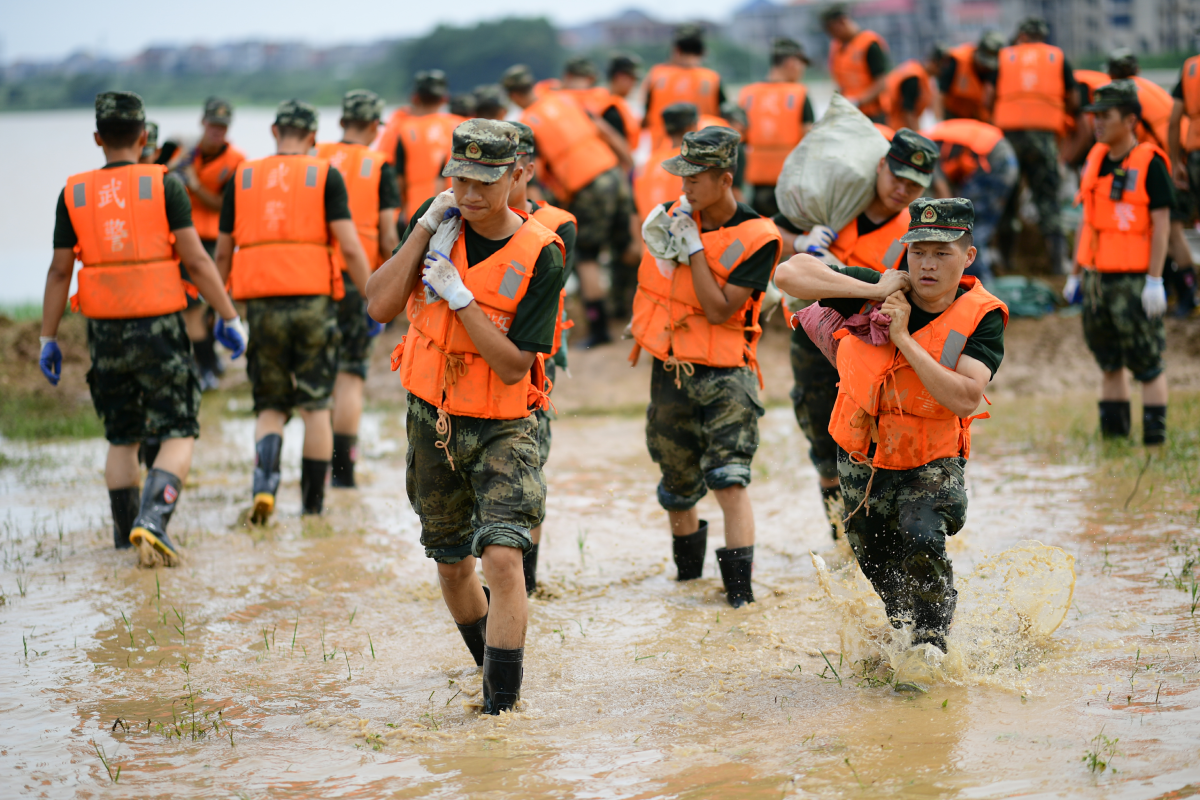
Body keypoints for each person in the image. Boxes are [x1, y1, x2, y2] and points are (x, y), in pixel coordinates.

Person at [364, 120, 566, 714]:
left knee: (503, 556)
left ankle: (503, 710)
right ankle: (490, 673)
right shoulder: (435, 228)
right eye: (460, 180)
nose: (471, 194)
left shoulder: (542, 254)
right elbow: (378, 304)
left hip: (503, 424)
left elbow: (512, 367)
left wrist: (462, 299)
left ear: (515, 175)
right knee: (453, 565)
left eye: (485, 181)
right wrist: (424, 229)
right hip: (433, 420)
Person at [774, 197, 1008, 655]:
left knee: (921, 537)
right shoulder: (878, 288)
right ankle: (905, 633)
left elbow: (965, 397)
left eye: (943, 253)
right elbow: (788, 274)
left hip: (931, 455)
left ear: (968, 257)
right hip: (864, 453)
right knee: (872, 554)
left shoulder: (983, 315)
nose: (928, 264)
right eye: (918, 250)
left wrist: (902, 337)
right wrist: (876, 291)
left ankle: (932, 644)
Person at [38, 91, 246, 567]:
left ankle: (122, 540)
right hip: (159, 328)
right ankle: (152, 522)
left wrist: (49, 338)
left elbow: (57, 272)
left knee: (121, 437)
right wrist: (229, 316)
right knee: (177, 429)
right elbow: (195, 258)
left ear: (97, 138)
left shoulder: (74, 192)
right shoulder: (164, 184)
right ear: (142, 135)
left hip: (104, 333)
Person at [629, 126, 782, 608]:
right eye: (683, 177)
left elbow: (719, 310)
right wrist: (673, 237)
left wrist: (694, 248)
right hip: (672, 371)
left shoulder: (760, 237)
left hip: (726, 378)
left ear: (725, 178)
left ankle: (740, 598)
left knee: (729, 479)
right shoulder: (677, 218)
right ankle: (688, 585)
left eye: (697, 179)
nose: (686, 187)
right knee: (676, 485)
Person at [773, 129, 939, 540]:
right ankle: (840, 537)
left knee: (869, 439)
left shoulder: (913, 233)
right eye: (897, 176)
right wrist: (803, 240)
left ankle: (872, 534)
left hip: (868, 347)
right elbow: (767, 233)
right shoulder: (837, 200)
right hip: (813, 338)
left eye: (914, 185)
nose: (902, 189)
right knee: (819, 433)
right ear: (881, 165)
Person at [214, 100, 372, 523]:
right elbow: (351, 246)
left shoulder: (242, 176)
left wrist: (221, 311)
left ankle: (264, 487)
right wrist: (372, 295)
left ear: (274, 131)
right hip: (313, 304)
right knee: (316, 405)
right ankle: (312, 508)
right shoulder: (325, 175)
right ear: (313, 138)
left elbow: (223, 251)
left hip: (260, 306)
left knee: (269, 404)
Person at [1064, 81, 1171, 445]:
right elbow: (1087, 220)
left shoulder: (1150, 162)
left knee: (1147, 361)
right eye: (1094, 116)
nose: (1097, 123)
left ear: (1129, 119)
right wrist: (1075, 274)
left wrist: (1155, 280)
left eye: (1105, 116)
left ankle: (1154, 443)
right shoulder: (1093, 158)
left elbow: (1162, 224)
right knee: (1108, 360)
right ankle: (1115, 440)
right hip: (1097, 279)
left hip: (1135, 279)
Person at [503, 63, 632, 348]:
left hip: (586, 184)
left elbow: (532, 172)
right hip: (612, 170)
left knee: (586, 258)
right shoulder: (563, 98)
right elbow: (605, 131)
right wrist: (628, 164)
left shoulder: (527, 125)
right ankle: (631, 313)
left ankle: (599, 328)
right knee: (628, 244)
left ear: (512, 95)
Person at [314, 90, 402, 488]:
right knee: (350, 375)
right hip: (357, 280)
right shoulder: (379, 166)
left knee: (319, 375)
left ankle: (310, 471)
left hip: (312, 280)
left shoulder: (314, 157)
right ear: (372, 127)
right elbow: (387, 234)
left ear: (342, 123)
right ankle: (343, 474)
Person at [507, 121, 578, 595]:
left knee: (529, 461)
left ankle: (525, 584)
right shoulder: (456, 219)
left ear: (527, 171)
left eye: (507, 171)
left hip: (533, 362)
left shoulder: (557, 225)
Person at [1106, 48, 1198, 316]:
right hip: (1181, 154)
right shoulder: (1148, 87)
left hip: (1168, 162)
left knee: (1171, 232)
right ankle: (1173, 292)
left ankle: (1188, 295)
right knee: (1166, 229)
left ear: (1110, 73)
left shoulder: (1121, 95)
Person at [990, 17, 1078, 274]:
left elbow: (988, 96)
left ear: (1021, 36)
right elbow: (1073, 100)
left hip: (1009, 139)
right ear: (1043, 36)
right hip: (1044, 138)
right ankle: (1058, 264)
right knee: (1047, 198)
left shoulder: (1005, 57)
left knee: (1007, 198)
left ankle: (1006, 262)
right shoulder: (1056, 57)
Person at [178, 97, 246, 390]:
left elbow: (224, 205)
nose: (217, 131)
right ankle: (205, 366)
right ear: (202, 123)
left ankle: (210, 361)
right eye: (213, 125)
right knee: (191, 307)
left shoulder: (236, 161)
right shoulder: (183, 154)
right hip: (186, 239)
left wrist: (194, 184)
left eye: (223, 126)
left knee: (212, 305)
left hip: (217, 241)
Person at [923, 118, 1019, 282]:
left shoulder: (924, 149)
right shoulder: (936, 137)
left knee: (966, 228)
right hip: (1005, 157)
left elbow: (945, 197)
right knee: (979, 226)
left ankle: (980, 284)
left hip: (994, 162)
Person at [738, 38, 815, 218]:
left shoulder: (747, 94)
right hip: (791, 184)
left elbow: (740, 138)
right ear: (791, 62)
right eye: (801, 64)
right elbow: (810, 140)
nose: (801, 70)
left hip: (756, 185)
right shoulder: (798, 93)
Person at [377, 71, 463, 221]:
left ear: (415, 98)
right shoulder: (462, 126)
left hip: (419, 212)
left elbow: (397, 177)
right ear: (444, 99)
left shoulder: (402, 128)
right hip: (461, 208)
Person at [643, 24, 724, 150]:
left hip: (662, 151)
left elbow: (645, 116)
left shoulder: (656, 75)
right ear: (703, 51)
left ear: (676, 50)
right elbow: (722, 117)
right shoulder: (711, 78)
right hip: (702, 152)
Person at [822, 2, 891, 122]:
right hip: (849, 114)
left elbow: (881, 83)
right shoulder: (836, 47)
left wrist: (858, 102)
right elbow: (840, 82)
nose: (833, 36)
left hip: (873, 114)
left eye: (833, 31)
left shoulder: (869, 44)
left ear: (842, 22)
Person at [1171, 44, 1200, 315]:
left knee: (1175, 225)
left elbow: (1173, 119)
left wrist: (1174, 161)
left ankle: (1190, 293)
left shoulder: (1191, 68)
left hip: (1194, 156)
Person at [635, 103, 698, 221]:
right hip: (686, 236)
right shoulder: (695, 161)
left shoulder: (647, 163)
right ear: (691, 127)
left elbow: (635, 214)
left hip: (650, 236)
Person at [936, 31, 1003, 122]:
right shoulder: (958, 61)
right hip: (951, 114)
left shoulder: (995, 70)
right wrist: (939, 122)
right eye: (983, 63)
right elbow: (940, 94)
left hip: (975, 119)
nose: (985, 67)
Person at [880, 49, 938, 133]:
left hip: (892, 120)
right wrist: (917, 136)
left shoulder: (916, 70)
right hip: (894, 124)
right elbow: (907, 110)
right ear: (933, 63)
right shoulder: (914, 78)